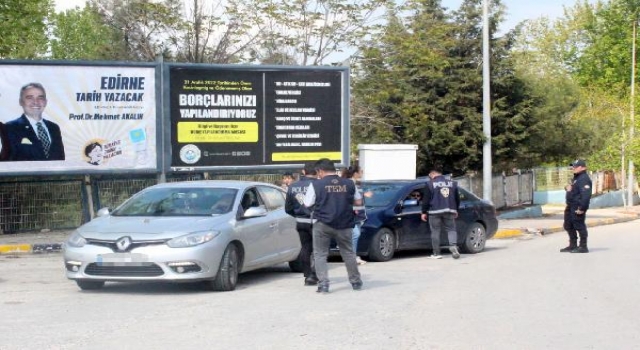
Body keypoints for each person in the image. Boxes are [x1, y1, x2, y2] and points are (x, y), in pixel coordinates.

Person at [304, 158, 363, 293]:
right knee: (348, 253)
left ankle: (323, 284)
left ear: (320, 171)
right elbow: (358, 202)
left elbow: (307, 204)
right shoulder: (349, 183)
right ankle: (356, 282)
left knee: (320, 254)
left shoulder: (316, 185)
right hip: (344, 223)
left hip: (322, 223)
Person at [5, 82, 65, 161]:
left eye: (40, 98)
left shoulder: (54, 128)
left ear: (45, 102)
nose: (35, 102)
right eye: (30, 98)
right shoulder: (10, 128)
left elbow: (60, 159)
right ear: (21, 102)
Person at [285, 162, 319, 286]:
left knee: (305, 248)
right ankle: (316, 274)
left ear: (304, 172)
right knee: (318, 249)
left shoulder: (293, 186)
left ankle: (308, 275)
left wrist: (297, 215)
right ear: (317, 171)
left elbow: (287, 208)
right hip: (317, 221)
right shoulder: (319, 185)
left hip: (300, 221)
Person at [420, 168, 461, 260]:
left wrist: (423, 212)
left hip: (434, 211)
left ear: (432, 174)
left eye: (429, 176)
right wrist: (456, 210)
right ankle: (453, 246)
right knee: (451, 229)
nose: (429, 178)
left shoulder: (429, 184)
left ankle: (436, 253)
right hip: (449, 210)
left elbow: (426, 200)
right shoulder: (452, 183)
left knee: (435, 231)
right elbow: (457, 198)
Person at [561, 159, 592, 253]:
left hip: (577, 206)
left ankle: (583, 246)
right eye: (573, 166)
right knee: (568, 225)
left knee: (579, 225)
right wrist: (567, 188)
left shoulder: (584, 179)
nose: (573, 168)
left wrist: (582, 208)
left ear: (583, 167)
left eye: (576, 166)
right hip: (570, 205)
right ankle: (573, 245)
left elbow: (586, 195)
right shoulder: (577, 178)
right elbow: (573, 190)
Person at [341, 165, 367, 265]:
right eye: (361, 171)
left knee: (354, 236)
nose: (362, 173)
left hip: (359, 215)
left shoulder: (357, 183)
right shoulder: (349, 183)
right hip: (352, 215)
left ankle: (353, 256)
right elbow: (348, 198)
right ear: (355, 173)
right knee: (356, 234)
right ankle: (351, 257)